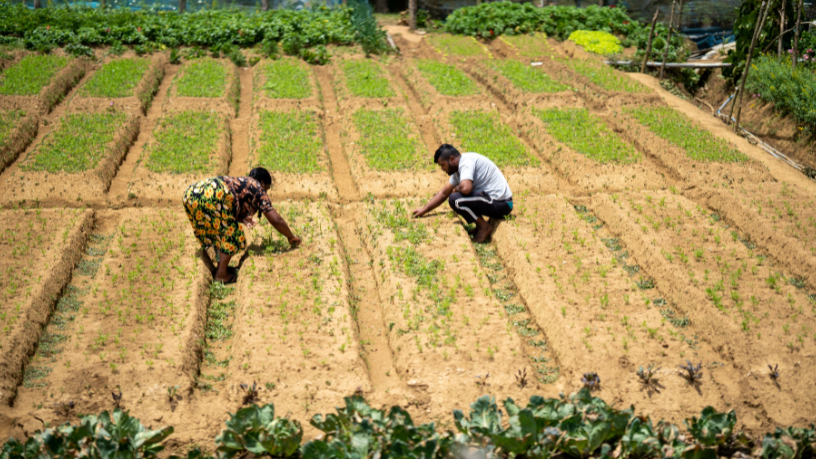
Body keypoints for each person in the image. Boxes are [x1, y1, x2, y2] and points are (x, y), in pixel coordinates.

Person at [182, 167, 301, 284]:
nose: (265, 192)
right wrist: (291, 236)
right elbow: (276, 220)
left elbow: (230, 205)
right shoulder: (257, 187)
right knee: (234, 234)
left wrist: (241, 218)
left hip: (191, 194)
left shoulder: (242, 182)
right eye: (267, 188)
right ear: (263, 182)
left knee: (218, 231)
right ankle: (221, 274)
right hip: (213, 194)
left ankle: (221, 268)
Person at [412, 144, 513, 243]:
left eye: (442, 165)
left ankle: (484, 227)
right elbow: (443, 193)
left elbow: (466, 188)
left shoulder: (466, 162)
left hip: (502, 203)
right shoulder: (458, 170)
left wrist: (456, 188)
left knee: (455, 199)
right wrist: (424, 210)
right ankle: (479, 226)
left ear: (452, 159)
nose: (442, 169)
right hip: (498, 203)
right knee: (458, 197)